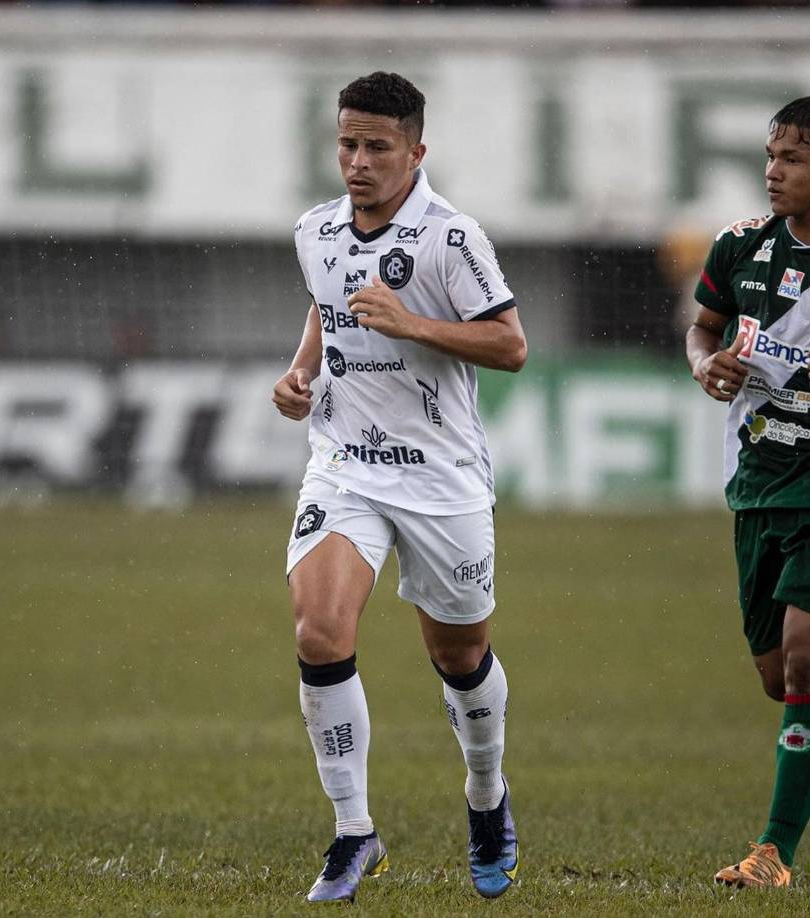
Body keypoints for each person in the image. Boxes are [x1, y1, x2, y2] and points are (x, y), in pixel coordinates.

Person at [271, 71, 527, 903]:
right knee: (318, 630)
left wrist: (411, 322)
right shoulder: (314, 230)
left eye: (378, 146)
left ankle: (486, 799)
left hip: (441, 477)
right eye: (347, 143)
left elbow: (510, 344)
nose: (358, 160)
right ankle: (353, 831)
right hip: (343, 464)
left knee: (458, 655)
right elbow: (326, 305)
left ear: (416, 151)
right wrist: (301, 373)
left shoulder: (453, 240)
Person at [686, 96, 810, 889]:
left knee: (804, 659)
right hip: (760, 483)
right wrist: (707, 365)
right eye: (771, 155)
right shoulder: (740, 248)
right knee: (778, 676)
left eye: (792, 158)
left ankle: (774, 855)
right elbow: (704, 329)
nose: (772, 170)